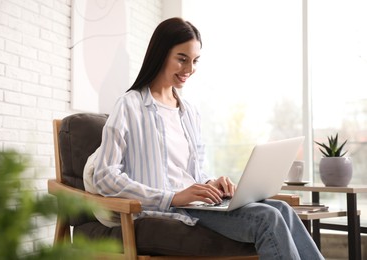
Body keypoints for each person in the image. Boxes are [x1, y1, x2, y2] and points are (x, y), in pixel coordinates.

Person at [87, 17, 324, 259]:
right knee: (267, 218)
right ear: (160, 54)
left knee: (283, 208)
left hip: (197, 205)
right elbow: (105, 176)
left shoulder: (189, 112)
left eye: (195, 61)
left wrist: (212, 184)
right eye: (182, 59)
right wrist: (173, 197)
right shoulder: (129, 106)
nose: (189, 70)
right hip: (167, 209)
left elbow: (194, 174)